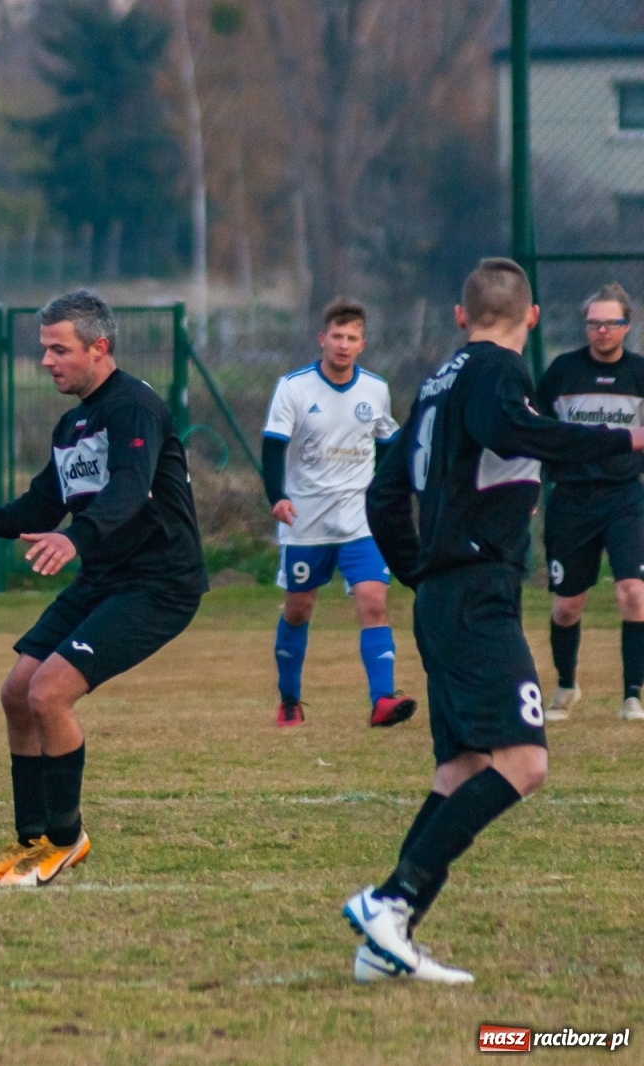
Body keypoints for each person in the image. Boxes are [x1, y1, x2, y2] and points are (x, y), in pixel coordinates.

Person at [350, 258, 644, 984]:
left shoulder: (437, 382)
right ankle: (391, 901)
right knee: (525, 761)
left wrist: (417, 568)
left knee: (463, 768)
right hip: (477, 593)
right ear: (534, 317)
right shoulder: (494, 375)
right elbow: (514, 427)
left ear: (459, 313)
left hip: (446, 593)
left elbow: (385, 495)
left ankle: (384, 945)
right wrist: (623, 441)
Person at [0, 289, 208, 888]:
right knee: (16, 693)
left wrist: (76, 538)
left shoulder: (133, 407)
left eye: (59, 349)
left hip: (158, 583)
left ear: (99, 347)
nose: (47, 361)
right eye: (44, 349)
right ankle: (32, 840)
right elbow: (43, 502)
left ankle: (65, 839)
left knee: (49, 694)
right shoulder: (72, 423)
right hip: (106, 578)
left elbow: (132, 486)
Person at [262, 297, 412, 728]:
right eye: (337, 336)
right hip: (305, 520)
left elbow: (389, 446)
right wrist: (277, 495)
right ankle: (289, 699)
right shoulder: (294, 387)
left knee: (373, 601)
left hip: (358, 518)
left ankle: (382, 701)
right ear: (322, 339)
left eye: (352, 338)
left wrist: (387, 497)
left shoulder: (375, 389)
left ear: (362, 344)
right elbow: (273, 447)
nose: (343, 345)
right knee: (299, 609)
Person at [534, 282, 644, 722]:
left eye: (610, 322)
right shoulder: (562, 372)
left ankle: (632, 694)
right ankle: (566, 686)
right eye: (593, 322)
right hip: (572, 499)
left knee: (634, 594)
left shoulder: (639, 374)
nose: (601, 330)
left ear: (627, 325)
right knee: (565, 606)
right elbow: (536, 432)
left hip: (624, 498)